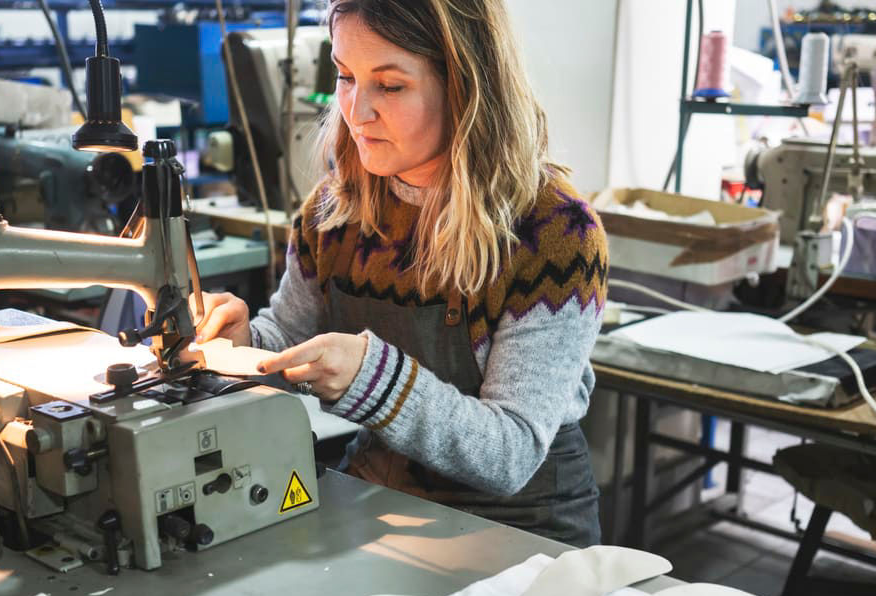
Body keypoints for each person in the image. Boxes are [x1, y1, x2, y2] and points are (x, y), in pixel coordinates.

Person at [194, 0, 609, 546]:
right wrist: (245, 341)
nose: (355, 110)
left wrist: (375, 378)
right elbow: (291, 340)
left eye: (389, 86)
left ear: (465, 86)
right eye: (345, 76)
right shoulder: (334, 211)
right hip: (379, 499)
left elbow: (511, 453)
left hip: (521, 530)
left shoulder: (553, 232)